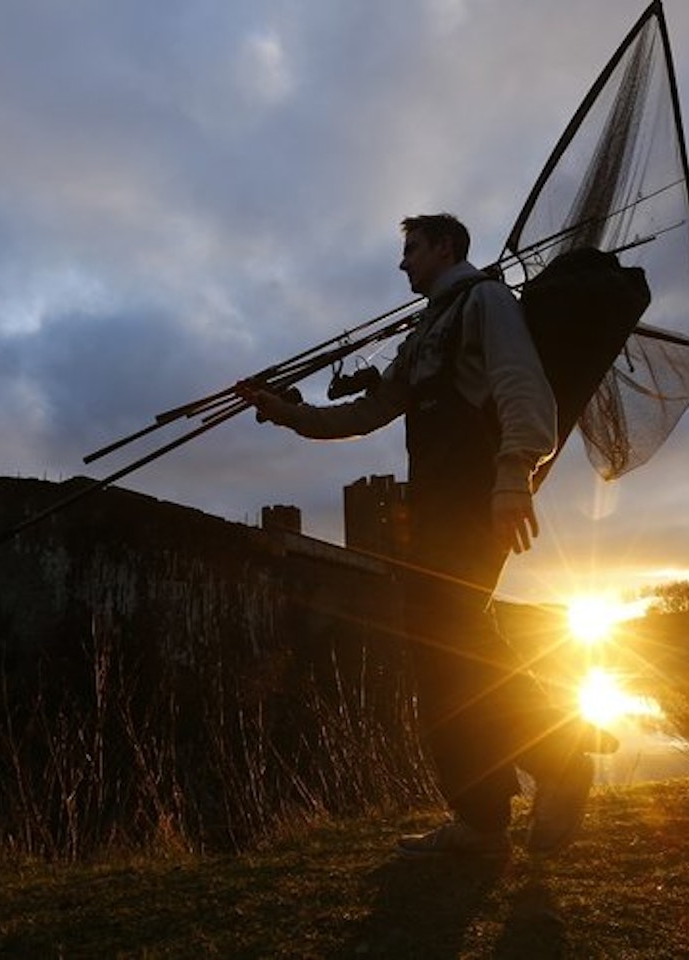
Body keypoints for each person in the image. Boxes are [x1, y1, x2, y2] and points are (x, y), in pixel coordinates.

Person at [239, 213, 613, 860]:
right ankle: (484, 819)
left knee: (453, 637)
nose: (402, 263)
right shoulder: (426, 331)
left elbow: (523, 385)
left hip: (475, 496)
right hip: (436, 504)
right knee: (442, 653)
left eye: (412, 249)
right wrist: (290, 415)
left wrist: (512, 476)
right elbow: (370, 411)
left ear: (445, 246)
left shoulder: (486, 300)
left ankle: (557, 759)